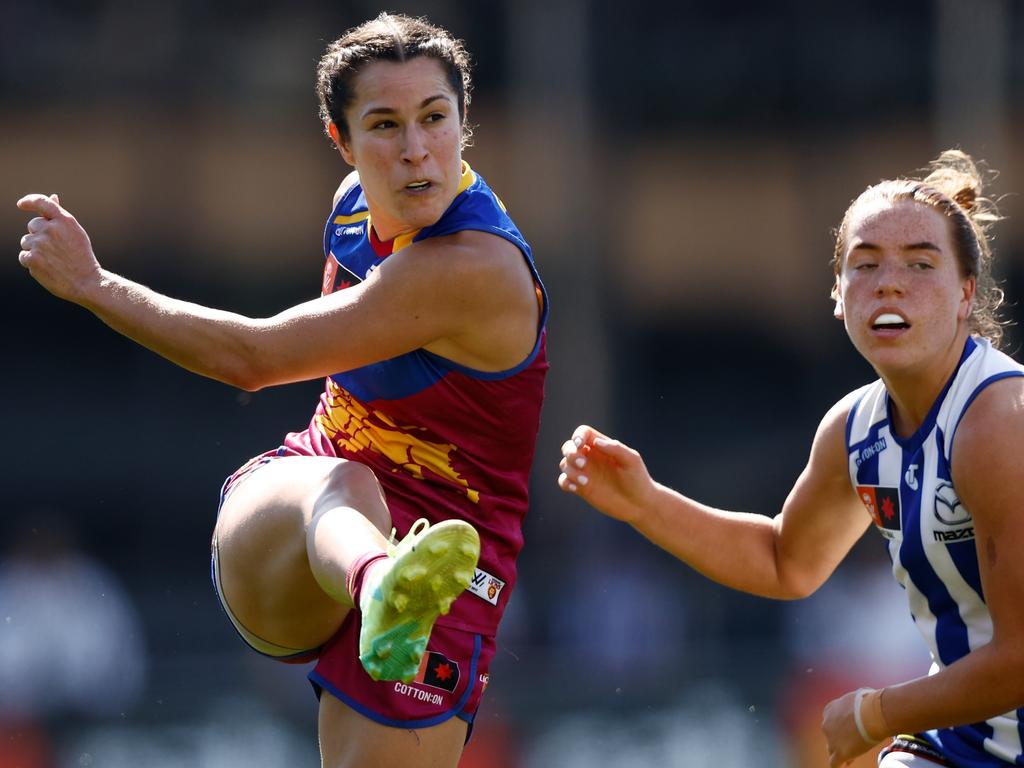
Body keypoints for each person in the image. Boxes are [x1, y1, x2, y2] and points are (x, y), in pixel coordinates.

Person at [17, 12, 548, 767]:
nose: (415, 149)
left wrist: (95, 286)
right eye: (384, 125)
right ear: (341, 139)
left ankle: (395, 596)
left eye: (436, 118)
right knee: (343, 481)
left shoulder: (471, 268)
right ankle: (379, 583)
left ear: (466, 122)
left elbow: (252, 359)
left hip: (452, 573)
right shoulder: (351, 206)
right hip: (296, 534)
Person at [558, 150, 1024, 768]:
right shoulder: (854, 429)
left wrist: (874, 714)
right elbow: (785, 562)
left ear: (967, 295)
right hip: (969, 740)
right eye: (866, 264)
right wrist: (645, 503)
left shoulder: (997, 420)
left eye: (920, 263)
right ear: (838, 295)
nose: (889, 282)